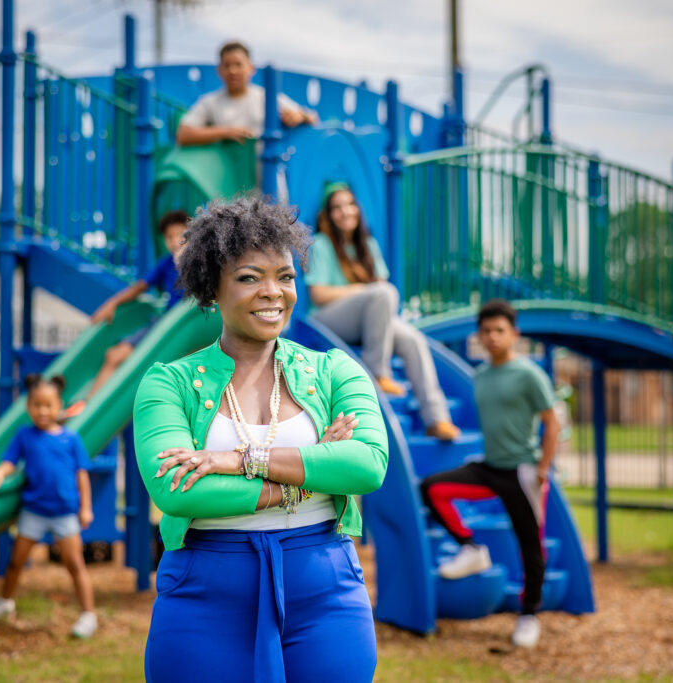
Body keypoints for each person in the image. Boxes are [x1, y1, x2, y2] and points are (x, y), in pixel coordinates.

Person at [133, 197, 387, 682]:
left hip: (325, 592)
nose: (274, 292)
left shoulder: (335, 371)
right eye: (250, 277)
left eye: (285, 277)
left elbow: (367, 465)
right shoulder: (167, 383)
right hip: (203, 594)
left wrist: (239, 459)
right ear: (212, 289)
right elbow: (176, 490)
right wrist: (310, 473)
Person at [419, 299, 560, 649]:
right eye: (486, 331)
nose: (493, 337)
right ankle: (471, 547)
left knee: (531, 546)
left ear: (514, 334)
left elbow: (553, 421)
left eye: (500, 330)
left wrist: (543, 468)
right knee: (432, 488)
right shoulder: (481, 376)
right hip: (490, 466)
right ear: (479, 336)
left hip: (523, 471)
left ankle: (529, 615)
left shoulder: (529, 374)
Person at [305, 184, 460, 441]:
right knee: (384, 292)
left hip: (366, 320)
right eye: (337, 208)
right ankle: (378, 371)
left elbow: (379, 296)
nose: (345, 212)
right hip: (327, 320)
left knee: (413, 339)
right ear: (328, 215)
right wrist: (359, 289)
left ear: (358, 210)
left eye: (350, 205)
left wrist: (368, 290)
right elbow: (318, 295)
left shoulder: (367, 245)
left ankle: (436, 418)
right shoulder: (320, 244)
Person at [0, 374, 98, 639]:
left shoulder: (71, 438)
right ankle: (5, 601)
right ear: (28, 406)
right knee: (16, 561)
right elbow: (9, 461)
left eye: (48, 405)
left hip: (65, 513)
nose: (42, 411)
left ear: (59, 406)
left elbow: (82, 476)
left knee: (75, 564)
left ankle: (88, 615)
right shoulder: (24, 435)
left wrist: (85, 508)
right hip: (33, 511)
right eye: (36, 405)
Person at [63, 210, 190, 419]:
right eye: (169, 237)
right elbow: (140, 287)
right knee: (114, 355)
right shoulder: (167, 263)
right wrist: (112, 303)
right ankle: (87, 406)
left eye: (181, 235)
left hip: (182, 327)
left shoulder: (200, 263)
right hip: (164, 324)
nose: (175, 241)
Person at [175, 41, 316, 147]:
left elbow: (313, 118)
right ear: (219, 71)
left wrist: (299, 116)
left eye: (238, 65)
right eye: (227, 65)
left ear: (251, 68)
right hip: (230, 173)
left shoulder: (266, 97)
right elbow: (184, 134)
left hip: (268, 170)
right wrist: (226, 132)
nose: (232, 71)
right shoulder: (210, 102)